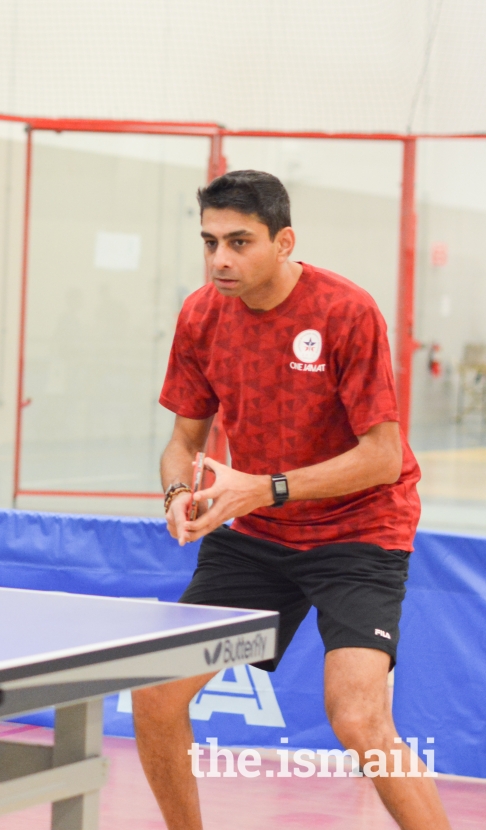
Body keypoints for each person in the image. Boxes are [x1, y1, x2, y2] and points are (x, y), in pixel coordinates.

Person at [133, 171, 449, 829]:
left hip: (358, 528)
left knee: (359, 718)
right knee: (157, 692)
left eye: (240, 241)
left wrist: (263, 486)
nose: (221, 258)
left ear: (284, 242)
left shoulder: (345, 312)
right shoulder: (199, 314)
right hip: (254, 536)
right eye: (210, 241)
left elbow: (382, 456)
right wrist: (179, 493)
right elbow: (181, 441)